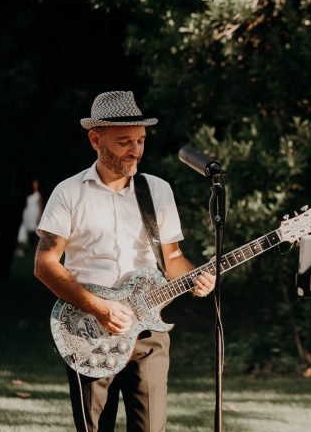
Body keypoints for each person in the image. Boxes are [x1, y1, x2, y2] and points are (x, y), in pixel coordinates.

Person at [34, 90, 216, 432]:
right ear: (95, 139)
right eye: (124, 142)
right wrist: (100, 308)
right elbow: (45, 264)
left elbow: (172, 258)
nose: (135, 150)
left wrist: (197, 278)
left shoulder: (157, 191)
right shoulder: (69, 192)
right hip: (89, 330)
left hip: (148, 332)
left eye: (141, 141)